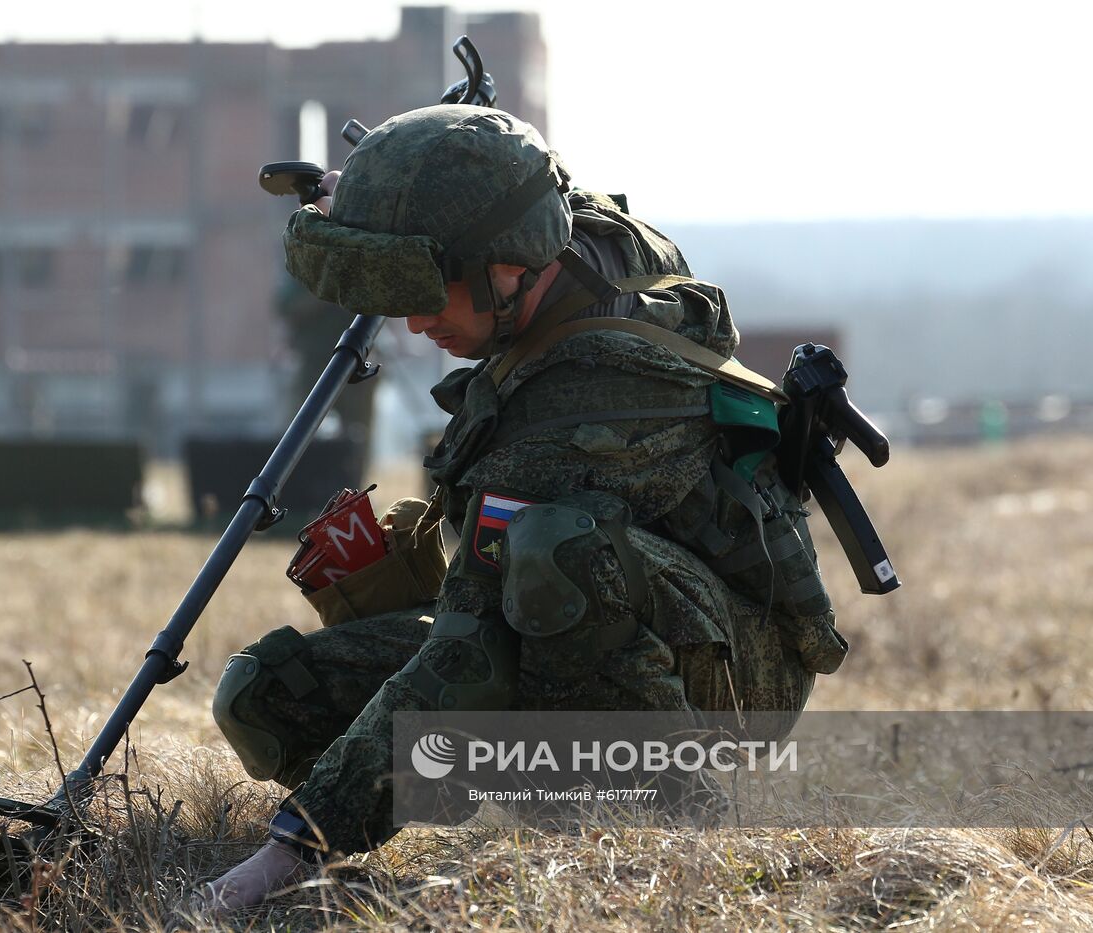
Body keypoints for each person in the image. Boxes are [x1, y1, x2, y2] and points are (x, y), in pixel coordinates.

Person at [195, 103, 849, 914]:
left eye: (436, 286)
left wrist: (291, 844)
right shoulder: (571, 239)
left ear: (509, 269)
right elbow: (519, 182)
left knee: (551, 551)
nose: (416, 319)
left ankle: (663, 820)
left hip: (729, 679)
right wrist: (380, 204)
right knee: (268, 692)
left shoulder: (575, 413)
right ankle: (532, 782)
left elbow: (466, 647)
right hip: (620, 620)